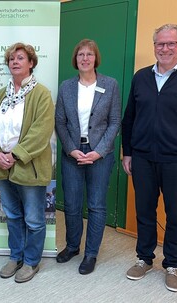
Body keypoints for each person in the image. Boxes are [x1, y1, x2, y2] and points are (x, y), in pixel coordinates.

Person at [121, 24, 177, 292]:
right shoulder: (140, 78)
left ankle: (172, 265)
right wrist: (128, 152)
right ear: (154, 47)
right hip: (143, 160)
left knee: (175, 215)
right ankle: (144, 258)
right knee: (145, 212)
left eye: (171, 43)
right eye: (160, 44)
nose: (165, 48)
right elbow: (129, 119)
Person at [0, 42, 54, 283]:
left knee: (34, 219)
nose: (15, 62)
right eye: (11, 59)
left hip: (28, 167)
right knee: (12, 216)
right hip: (2, 167)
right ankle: (16, 256)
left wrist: (13, 156)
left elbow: (41, 132)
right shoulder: (1, 94)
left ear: (31, 63)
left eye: (20, 58)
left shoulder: (41, 93)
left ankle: (31, 261)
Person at [55, 39, 121, 275]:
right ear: (75, 59)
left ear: (96, 58)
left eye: (89, 54)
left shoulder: (110, 85)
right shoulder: (66, 87)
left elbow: (114, 122)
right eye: (80, 54)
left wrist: (99, 151)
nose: (85, 58)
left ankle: (91, 253)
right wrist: (71, 149)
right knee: (72, 205)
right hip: (72, 152)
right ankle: (72, 246)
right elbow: (60, 122)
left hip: (100, 155)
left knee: (96, 206)